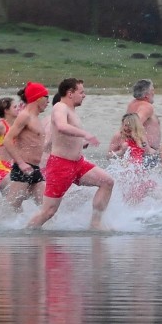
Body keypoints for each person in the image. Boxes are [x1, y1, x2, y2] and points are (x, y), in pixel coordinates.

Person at [29, 78, 115, 230]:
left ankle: (95, 223)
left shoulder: (71, 111)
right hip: (60, 165)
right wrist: (85, 134)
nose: (84, 95)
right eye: (81, 92)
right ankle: (26, 233)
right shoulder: (60, 107)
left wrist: (81, 142)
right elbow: (62, 127)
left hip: (78, 164)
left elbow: (61, 138)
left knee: (107, 182)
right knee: (48, 212)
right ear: (70, 93)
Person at [2, 82, 50, 211]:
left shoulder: (35, 118)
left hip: (34, 169)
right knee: (10, 210)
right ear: (38, 98)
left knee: (47, 209)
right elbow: (7, 140)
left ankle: (41, 230)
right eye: (47, 98)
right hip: (23, 168)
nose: (48, 102)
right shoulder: (24, 116)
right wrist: (21, 163)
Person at [110, 113, 159, 203]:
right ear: (122, 125)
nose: (127, 128)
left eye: (131, 126)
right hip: (126, 173)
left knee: (160, 193)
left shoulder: (140, 135)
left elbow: (148, 150)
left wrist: (160, 153)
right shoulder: (118, 136)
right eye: (126, 125)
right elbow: (108, 155)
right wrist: (121, 152)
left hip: (140, 172)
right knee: (132, 200)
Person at [125, 79, 161, 166]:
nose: (154, 93)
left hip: (135, 150)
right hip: (145, 152)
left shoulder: (132, 104)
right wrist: (147, 148)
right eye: (152, 90)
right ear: (146, 95)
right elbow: (134, 125)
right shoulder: (147, 107)